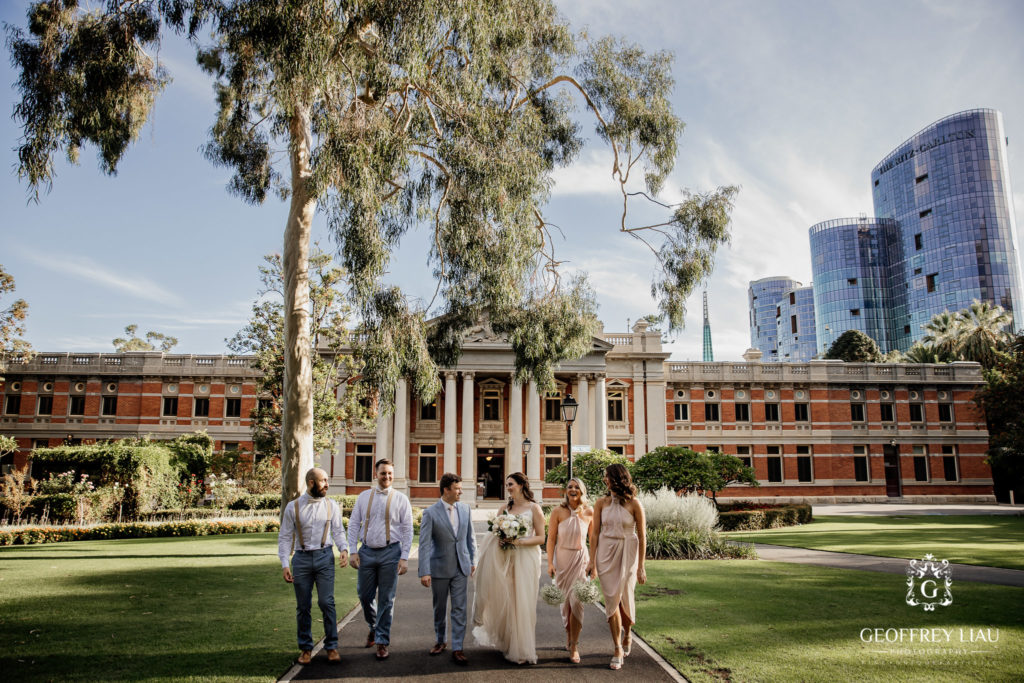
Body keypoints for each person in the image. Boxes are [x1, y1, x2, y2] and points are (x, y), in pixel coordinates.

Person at [471, 471, 545, 664]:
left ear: (521, 485)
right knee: (506, 598)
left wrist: (518, 541)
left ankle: (521, 648)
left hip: (526, 559)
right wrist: (503, 540)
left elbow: (541, 537)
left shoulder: (534, 508)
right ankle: (508, 641)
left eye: (511, 484)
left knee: (523, 601)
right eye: (507, 484)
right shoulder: (503, 508)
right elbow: (494, 534)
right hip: (505, 558)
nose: (508, 487)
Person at [277, 467, 348, 665]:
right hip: (301, 559)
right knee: (303, 606)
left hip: (325, 557)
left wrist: (343, 549)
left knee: (327, 602)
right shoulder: (293, 507)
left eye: (326, 480)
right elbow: (284, 537)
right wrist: (285, 563)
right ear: (311, 483)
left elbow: (338, 531)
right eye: (323, 480)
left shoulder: (331, 505)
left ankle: (332, 646)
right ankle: (305, 648)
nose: (327, 484)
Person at [347, 458, 414, 661]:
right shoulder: (363, 497)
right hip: (366, 552)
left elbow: (407, 530)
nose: (387, 477)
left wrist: (404, 557)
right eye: (383, 473)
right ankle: (374, 627)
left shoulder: (401, 499)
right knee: (364, 596)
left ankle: (382, 641)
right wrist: (352, 550)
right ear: (376, 474)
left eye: (390, 474)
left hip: (391, 552)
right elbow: (353, 524)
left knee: (386, 599)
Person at [587, 464, 646, 671]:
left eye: (608, 477)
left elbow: (642, 535)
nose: (605, 480)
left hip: (628, 552)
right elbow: (594, 534)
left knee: (626, 597)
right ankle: (617, 648)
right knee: (611, 600)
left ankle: (628, 633)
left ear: (617, 479)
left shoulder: (634, 504)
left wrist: (641, 566)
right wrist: (591, 561)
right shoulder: (601, 503)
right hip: (606, 552)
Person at [418, 472, 477, 665]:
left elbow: (470, 538)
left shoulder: (466, 509)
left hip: (462, 567)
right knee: (440, 608)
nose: (461, 492)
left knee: (460, 608)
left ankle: (458, 647)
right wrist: (424, 571)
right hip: (439, 568)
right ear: (446, 490)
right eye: (457, 488)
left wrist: (473, 560)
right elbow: (425, 544)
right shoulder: (430, 512)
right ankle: (440, 640)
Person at [546, 477, 593, 664]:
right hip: (563, 561)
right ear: (565, 491)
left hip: (581, 560)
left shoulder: (590, 511)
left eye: (576, 487)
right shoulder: (558, 511)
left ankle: (574, 645)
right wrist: (550, 563)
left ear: (582, 491)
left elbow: (594, 540)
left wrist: (594, 565)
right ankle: (568, 635)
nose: (573, 489)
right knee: (565, 604)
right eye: (570, 487)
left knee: (578, 603)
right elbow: (550, 539)